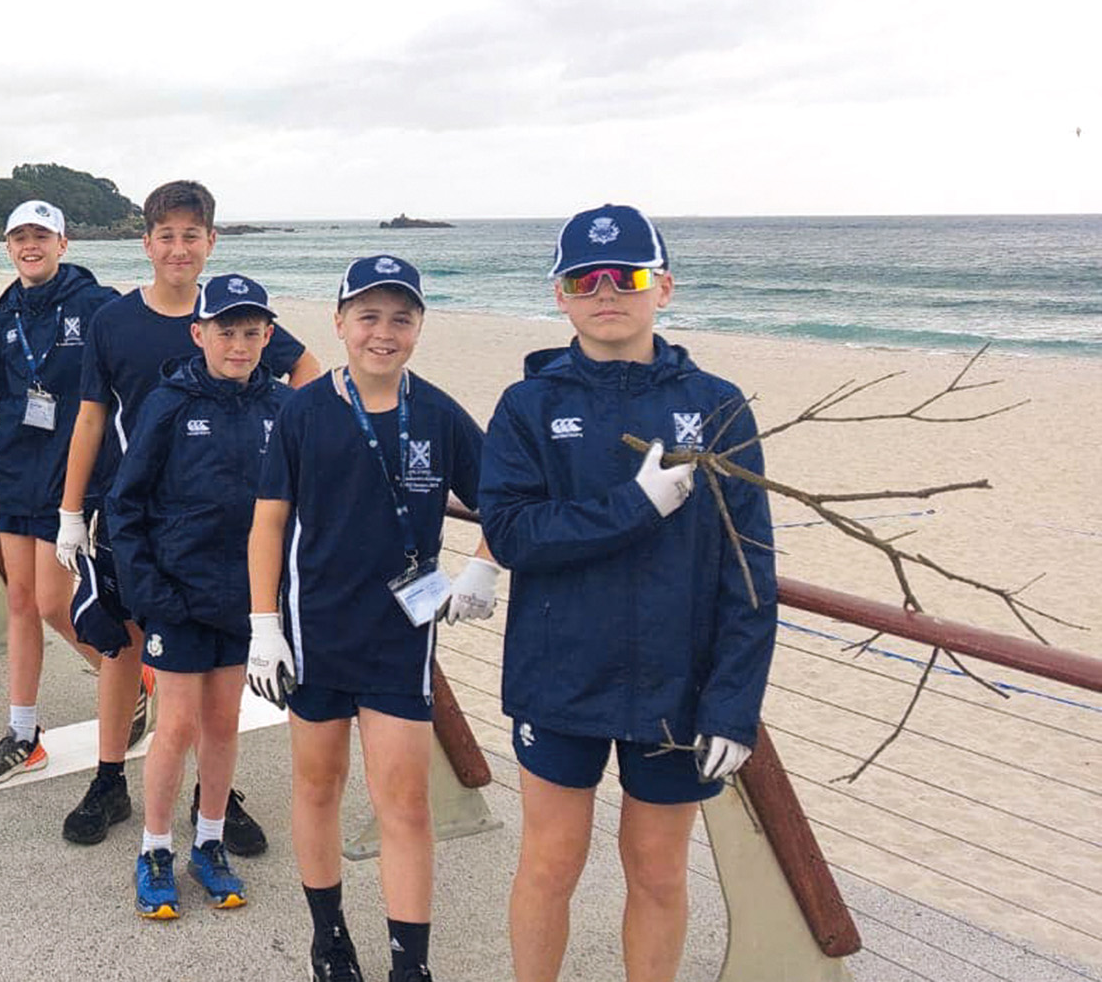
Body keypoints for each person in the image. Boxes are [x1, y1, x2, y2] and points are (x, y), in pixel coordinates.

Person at [478, 205, 777, 982]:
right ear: (561, 295)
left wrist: (734, 704)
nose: (607, 290)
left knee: (658, 873)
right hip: (559, 675)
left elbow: (750, 574)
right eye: (585, 277)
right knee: (550, 864)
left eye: (629, 275)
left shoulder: (718, 405)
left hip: (676, 686)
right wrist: (635, 506)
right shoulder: (529, 405)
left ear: (664, 288)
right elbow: (512, 533)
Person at [246, 256, 501, 982]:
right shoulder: (301, 411)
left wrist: (484, 563)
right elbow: (267, 526)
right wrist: (265, 626)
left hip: (399, 641)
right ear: (339, 323)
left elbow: (506, 503)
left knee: (404, 802)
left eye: (400, 318)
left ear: (419, 326)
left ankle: (408, 964)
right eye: (368, 316)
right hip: (313, 634)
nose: (382, 333)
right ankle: (329, 939)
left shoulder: (442, 414)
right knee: (317, 787)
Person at [55, 180, 321, 850]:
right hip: (135, 515)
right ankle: (110, 777)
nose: (179, 248)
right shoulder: (115, 321)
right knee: (124, 653)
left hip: (220, 531)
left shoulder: (234, 313)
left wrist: (291, 455)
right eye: (166, 236)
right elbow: (90, 417)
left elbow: (305, 371)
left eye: (191, 235)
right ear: (147, 243)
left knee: (211, 686)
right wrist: (68, 511)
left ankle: (215, 798)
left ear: (210, 243)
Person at [106, 273, 291, 919]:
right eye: (225, 331)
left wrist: (279, 601)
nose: (238, 345)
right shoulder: (171, 402)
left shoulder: (280, 408)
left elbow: (298, 510)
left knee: (222, 724)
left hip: (244, 603)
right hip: (177, 597)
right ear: (199, 334)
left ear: (268, 336)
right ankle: (156, 848)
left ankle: (208, 843)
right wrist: (151, 593)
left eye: (250, 332)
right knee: (177, 724)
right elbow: (124, 504)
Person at [0, 201, 122, 782]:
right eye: (19, 237)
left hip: (76, 478)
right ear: (8, 247)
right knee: (20, 602)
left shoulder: (97, 306)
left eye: (41, 235)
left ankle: (129, 677)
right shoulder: (3, 316)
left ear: (64, 242)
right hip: (15, 471)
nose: (30, 246)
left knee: (56, 603)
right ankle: (23, 732)